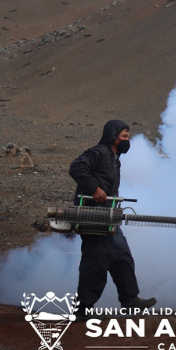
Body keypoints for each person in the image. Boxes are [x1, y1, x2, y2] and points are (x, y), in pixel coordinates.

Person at [68, 119, 156, 311]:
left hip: (108, 218)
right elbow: (76, 168)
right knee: (95, 263)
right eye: (124, 136)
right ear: (113, 137)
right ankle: (83, 309)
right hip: (93, 217)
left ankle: (130, 300)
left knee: (122, 257)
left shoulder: (114, 159)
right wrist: (94, 189)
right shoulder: (98, 153)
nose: (127, 140)